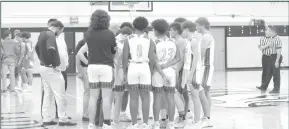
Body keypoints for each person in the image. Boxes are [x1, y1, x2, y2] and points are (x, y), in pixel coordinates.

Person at [122, 16, 169, 129]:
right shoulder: (150, 40)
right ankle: (145, 123)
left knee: (133, 98)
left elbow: (124, 58)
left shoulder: (127, 39)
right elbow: (152, 59)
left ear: (133, 26)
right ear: (145, 27)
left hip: (132, 67)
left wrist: (124, 73)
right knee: (146, 97)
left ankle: (134, 124)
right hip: (144, 67)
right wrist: (151, 70)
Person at [77, 9, 116, 129]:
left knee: (93, 96)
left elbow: (79, 53)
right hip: (106, 67)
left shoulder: (88, 33)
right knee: (106, 96)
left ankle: (91, 123)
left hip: (92, 67)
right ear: (107, 19)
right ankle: (106, 123)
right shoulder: (109, 33)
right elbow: (114, 50)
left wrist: (88, 63)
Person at [35, 20, 77, 126]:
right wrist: (56, 64)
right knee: (60, 94)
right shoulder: (51, 35)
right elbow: (51, 49)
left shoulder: (42, 34)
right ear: (58, 28)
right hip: (51, 69)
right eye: (61, 31)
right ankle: (63, 119)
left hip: (42, 67)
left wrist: (42, 59)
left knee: (47, 94)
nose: (60, 33)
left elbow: (36, 48)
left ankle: (46, 118)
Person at [151, 19, 180, 129]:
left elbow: (153, 61)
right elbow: (178, 58)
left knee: (157, 98)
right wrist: (167, 65)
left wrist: (162, 71)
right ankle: (171, 123)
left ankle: (156, 123)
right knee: (170, 98)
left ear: (156, 31)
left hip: (158, 72)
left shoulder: (154, 42)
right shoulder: (173, 41)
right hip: (170, 71)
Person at [181, 20, 204, 129]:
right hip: (188, 71)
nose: (182, 33)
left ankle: (197, 121)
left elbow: (196, 59)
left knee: (195, 96)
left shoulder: (194, 41)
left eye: (183, 30)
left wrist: (191, 74)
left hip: (193, 72)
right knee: (192, 96)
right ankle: (195, 119)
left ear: (186, 30)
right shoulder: (189, 41)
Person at [195, 17, 215, 128]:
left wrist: (196, 66)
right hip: (204, 67)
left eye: (197, 25)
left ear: (202, 25)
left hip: (205, 67)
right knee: (204, 92)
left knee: (204, 92)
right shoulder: (205, 36)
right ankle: (206, 116)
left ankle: (207, 117)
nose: (196, 28)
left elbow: (201, 54)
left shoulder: (206, 36)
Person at [112, 26, 133, 125]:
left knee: (124, 91)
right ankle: (118, 114)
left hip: (122, 68)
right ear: (126, 35)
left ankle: (121, 113)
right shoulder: (116, 42)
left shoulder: (121, 42)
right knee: (119, 92)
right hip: (118, 69)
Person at [169, 22, 187, 127]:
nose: (170, 32)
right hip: (176, 69)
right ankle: (182, 114)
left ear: (176, 30)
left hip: (178, 70)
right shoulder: (177, 41)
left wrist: (176, 71)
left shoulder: (180, 41)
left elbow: (180, 59)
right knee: (177, 93)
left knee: (176, 93)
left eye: (171, 30)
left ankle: (182, 116)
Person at [256, 26, 283, 94]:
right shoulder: (272, 38)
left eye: (268, 31)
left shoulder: (277, 39)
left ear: (272, 31)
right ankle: (264, 86)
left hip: (275, 56)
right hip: (272, 56)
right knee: (268, 73)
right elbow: (261, 47)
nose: (267, 32)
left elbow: (279, 51)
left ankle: (276, 89)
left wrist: (277, 61)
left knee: (275, 74)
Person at [75, 38, 90, 121]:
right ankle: (85, 114)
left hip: (92, 69)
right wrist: (79, 71)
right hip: (85, 68)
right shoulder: (83, 42)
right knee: (87, 92)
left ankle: (92, 113)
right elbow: (78, 56)